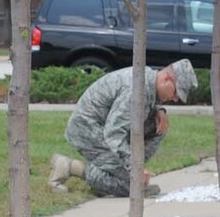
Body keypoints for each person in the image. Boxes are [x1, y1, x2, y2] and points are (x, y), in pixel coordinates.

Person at [50, 58, 198, 198]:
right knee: (131, 186)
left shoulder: (148, 79)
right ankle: (71, 167)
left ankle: (123, 172)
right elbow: (114, 134)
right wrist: (134, 168)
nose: (174, 99)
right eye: (175, 93)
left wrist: (159, 109)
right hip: (87, 130)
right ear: (166, 79)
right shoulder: (136, 90)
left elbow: (144, 103)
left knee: (158, 125)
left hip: (103, 127)